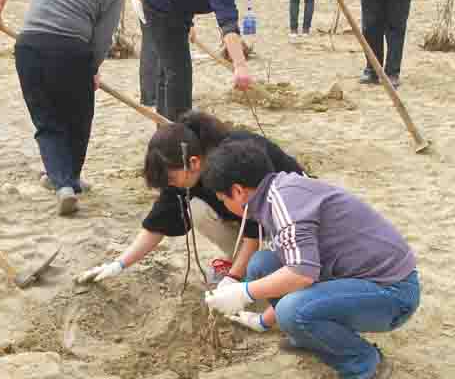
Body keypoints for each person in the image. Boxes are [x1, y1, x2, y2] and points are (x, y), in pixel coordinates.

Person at [200, 141, 420, 379]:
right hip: (354, 277)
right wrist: (262, 321)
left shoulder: (284, 205)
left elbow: (301, 274)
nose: (224, 205)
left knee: (293, 311)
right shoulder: (279, 191)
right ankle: (310, 335)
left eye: (223, 199)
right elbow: (300, 266)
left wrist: (242, 293)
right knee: (262, 264)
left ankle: (364, 363)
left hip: (392, 292)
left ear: (238, 191)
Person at [0, 0, 139, 215]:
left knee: (47, 121)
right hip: (70, 52)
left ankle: (61, 179)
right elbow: (102, 40)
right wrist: (92, 70)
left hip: (28, 48)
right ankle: (67, 183)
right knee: (78, 119)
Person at [74, 111, 304, 285]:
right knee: (196, 208)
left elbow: (254, 229)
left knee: (267, 269)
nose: (170, 185)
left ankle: (262, 266)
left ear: (193, 163)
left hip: (293, 217)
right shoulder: (182, 168)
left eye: (171, 179)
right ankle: (244, 263)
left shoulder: (235, 160)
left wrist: (233, 279)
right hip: (253, 222)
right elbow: (157, 225)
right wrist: (118, 264)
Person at [142, 0, 320, 121]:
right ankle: (178, 131)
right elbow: (228, 24)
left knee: (170, 70)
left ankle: (165, 126)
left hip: (180, 4)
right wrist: (240, 66)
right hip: (162, 4)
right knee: (178, 74)